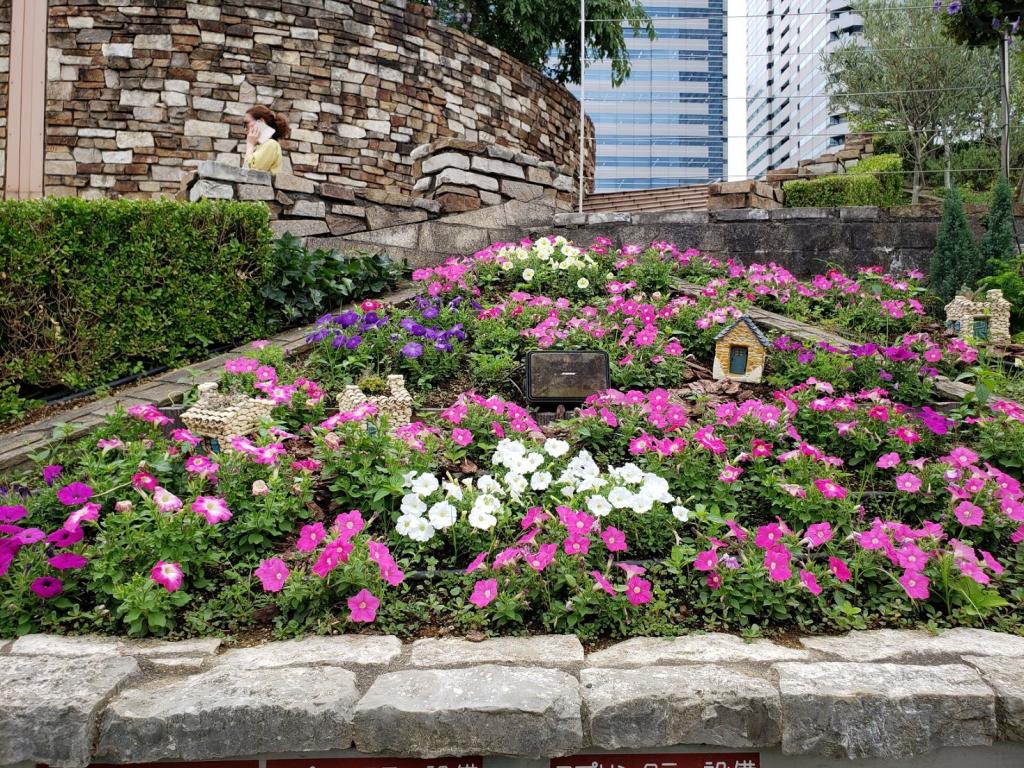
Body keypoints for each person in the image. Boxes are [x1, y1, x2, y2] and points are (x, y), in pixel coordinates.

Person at [243, 106, 290, 175]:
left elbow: (249, 174)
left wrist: (250, 144)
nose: (245, 129)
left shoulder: (271, 144)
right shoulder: (262, 146)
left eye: (246, 123)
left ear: (261, 122)